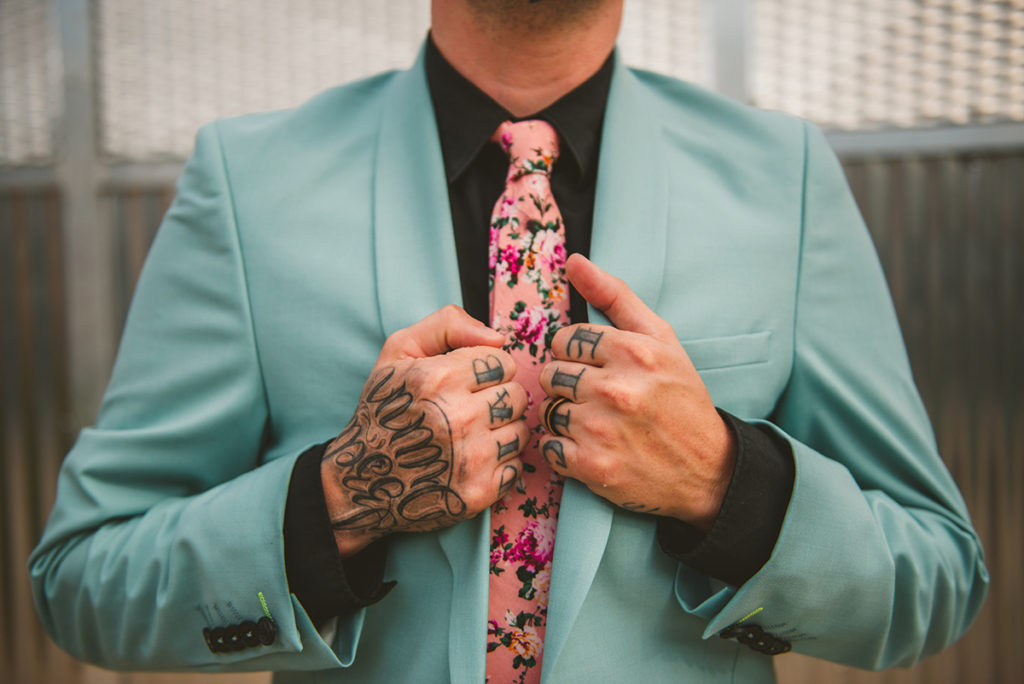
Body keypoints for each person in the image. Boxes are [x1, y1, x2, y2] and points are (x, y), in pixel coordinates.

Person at [30, 1, 988, 682]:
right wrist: (343, 496)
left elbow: (938, 579)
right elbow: (81, 581)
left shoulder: (786, 178)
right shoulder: (249, 182)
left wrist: (721, 481)